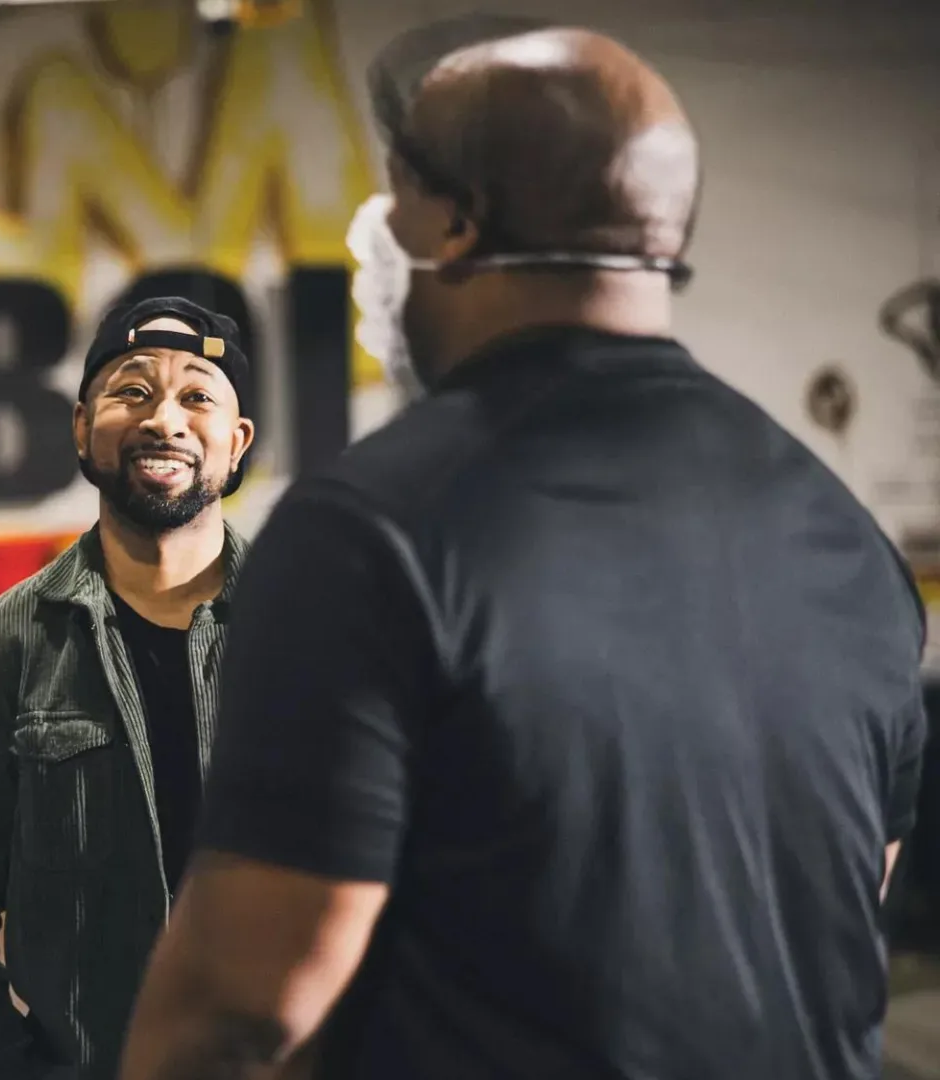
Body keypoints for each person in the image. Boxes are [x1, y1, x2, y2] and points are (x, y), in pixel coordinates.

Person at [123, 21, 928, 1080]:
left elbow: (236, 1012)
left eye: (396, 198)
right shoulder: (848, 542)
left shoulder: (370, 533)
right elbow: (843, 898)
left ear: (455, 225)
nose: (380, 232)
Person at [0, 296, 257, 1080]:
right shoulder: (2, 647)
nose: (164, 418)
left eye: (197, 395)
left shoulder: (317, 634)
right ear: (82, 427)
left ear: (236, 443)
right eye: (133, 390)